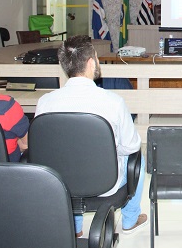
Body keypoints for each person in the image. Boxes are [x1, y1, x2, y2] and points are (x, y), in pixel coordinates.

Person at [35, 35, 147, 237]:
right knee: (139, 157)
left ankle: (75, 228)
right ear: (89, 63)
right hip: (106, 184)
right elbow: (131, 147)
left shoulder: (45, 102)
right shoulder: (113, 102)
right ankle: (130, 219)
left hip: (59, 183)